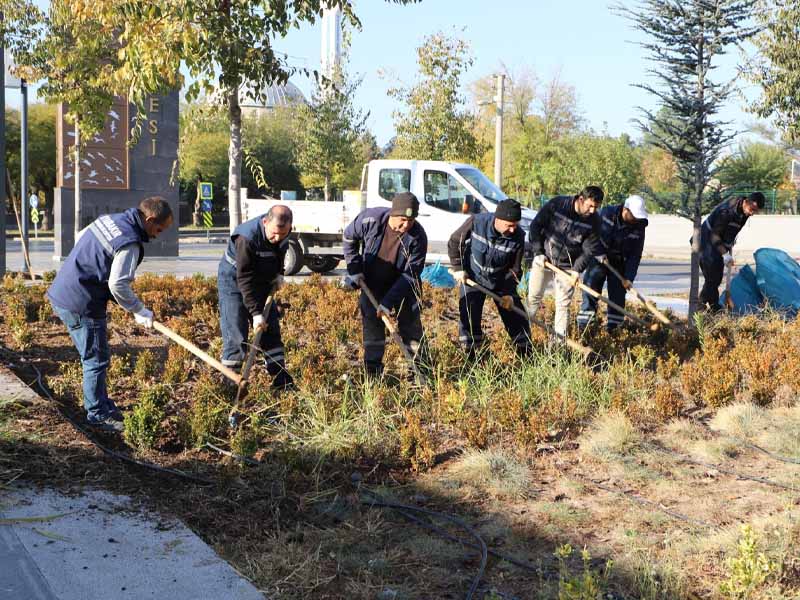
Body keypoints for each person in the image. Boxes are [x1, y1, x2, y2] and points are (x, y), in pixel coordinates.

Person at [47, 197, 174, 432]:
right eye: (158, 229)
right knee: (95, 358)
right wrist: (139, 310)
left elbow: (81, 239)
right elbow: (118, 285)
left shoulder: (109, 220)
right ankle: (97, 414)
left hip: (63, 292)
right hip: (82, 302)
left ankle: (102, 404)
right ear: (149, 219)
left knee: (96, 355)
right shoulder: (130, 242)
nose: (157, 235)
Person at [342, 192, 428, 378]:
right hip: (371, 284)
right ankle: (372, 374)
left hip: (404, 287)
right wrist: (354, 269)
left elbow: (410, 274)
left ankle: (418, 371)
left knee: (411, 328)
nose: (406, 225)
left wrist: (388, 302)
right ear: (392, 213)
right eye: (403, 220)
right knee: (372, 328)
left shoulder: (418, 236)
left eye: (411, 220)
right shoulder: (370, 219)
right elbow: (349, 238)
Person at [217, 205, 295, 391]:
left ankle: (281, 381)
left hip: (262, 280)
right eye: (274, 233)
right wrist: (255, 313)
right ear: (265, 222)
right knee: (236, 333)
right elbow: (244, 278)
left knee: (271, 331)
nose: (278, 238)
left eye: (283, 234)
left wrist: (279, 274)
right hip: (234, 281)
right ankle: (230, 385)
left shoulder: (284, 233)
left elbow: (279, 253)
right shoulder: (247, 237)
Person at [448, 199, 531, 358]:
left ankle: (526, 355)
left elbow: (515, 269)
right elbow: (455, 242)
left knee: (517, 316)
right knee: (469, 315)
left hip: (500, 281)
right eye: (510, 225)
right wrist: (459, 268)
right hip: (473, 277)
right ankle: (471, 357)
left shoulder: (518, 236)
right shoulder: (477, 222)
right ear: (498, 219)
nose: (513, 229)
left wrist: (508, 292)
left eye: (516, 224)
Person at [526, 186, 606, 338]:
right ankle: (523, 336)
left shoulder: (595, 220)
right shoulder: (558, 205)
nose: (592, 211)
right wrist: (538, 252)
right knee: (533, 298)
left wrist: (577, 270)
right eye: (590, 206)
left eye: (596, 207)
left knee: (563, 305)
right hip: (544, 259)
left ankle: (558, 345)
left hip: (568, 266)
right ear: (581, 200)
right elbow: (536, 226)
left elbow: (589, 249)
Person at [576, 194, 649, 333]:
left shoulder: (639, 225)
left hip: (619, 261)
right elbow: (593, 235)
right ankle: (584, 327)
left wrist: (629, 277)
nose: (635, 220)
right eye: (633, 216)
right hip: (599, 257)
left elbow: (635, 254)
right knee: (590, 290)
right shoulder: (607, 214)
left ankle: (614, 331)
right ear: (625, 210)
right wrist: (598, 253)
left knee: (617, 297)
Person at [697, 191, 765, 311]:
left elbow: (732, 230)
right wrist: (725, 254)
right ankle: (701, 305)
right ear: (746, 201)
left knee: (715, 278)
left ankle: (713, 306)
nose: (752, 213)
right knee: (712, 278)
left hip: (718, 244)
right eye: (752, 209)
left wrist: (729, 243)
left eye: (756, 211)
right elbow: (715, 235)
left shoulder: (745, 213)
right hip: (705, 241)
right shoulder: (727, 211)